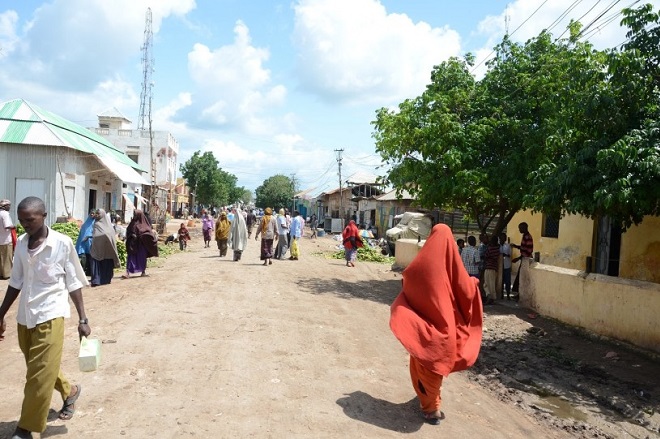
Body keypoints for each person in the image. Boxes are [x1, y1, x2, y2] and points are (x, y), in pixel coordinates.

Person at [0, 196, 91, 439]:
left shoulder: (62, 243)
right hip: (25, 318)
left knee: (38, 375)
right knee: (40, 367)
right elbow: (16, 281)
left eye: (29, 220)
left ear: (43, 216)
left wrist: (83, 319)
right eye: (21, 220)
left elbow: (73, 282)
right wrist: (1, 314)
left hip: (51, 315)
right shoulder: (21, 244)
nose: (25, 225)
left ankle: (25, 428)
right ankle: (70, 391)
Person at [389, 224, 483, 425]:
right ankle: (432, 408)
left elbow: (408, 278)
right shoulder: (453, 262)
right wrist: (474, 284)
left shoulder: (421, 263)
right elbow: (466, 289)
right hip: (445, 328)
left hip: (423, 327)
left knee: (423, 361)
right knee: (435, 364)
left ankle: (430, 403)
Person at [122, 210, 158, 279]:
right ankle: (127, 273)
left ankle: (143, 271)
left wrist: (141, 236)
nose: (134, 216)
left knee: (142, 258)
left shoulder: (144, 224)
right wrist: (131, 235)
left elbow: (148, 233)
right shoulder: (132, 223)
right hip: (133, 244)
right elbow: (128, 231)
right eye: (134, 214)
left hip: (141, 245)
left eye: (136, 215)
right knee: (131, 258)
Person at [89, 209, 120, 287]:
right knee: (96, 261)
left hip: (107, 249)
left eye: (98, 213)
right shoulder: (96, 223)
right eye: (97, 213)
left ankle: (104, 279)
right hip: (97, 247)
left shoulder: (108, 225)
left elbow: (106, 235)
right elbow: (95, 234)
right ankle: (96, 280)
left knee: (105, 262)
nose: (97, 215)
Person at [511, 222, 534, 298]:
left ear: (524, 228)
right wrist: (516, 246)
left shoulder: (528, 237)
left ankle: (520, 295)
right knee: (519, 277)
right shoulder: (525, 236)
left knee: (522, 277)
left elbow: (528, 251)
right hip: (524, 259)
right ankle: (519, 294)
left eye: (520, 228)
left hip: (526, 260)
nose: (519, 230)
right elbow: (523, 247)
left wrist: (518, 258)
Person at [75, 210, 96, 276]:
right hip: (83, 243)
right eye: (91, 213)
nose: (92, 215)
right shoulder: (86, 223)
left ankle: (90, 272)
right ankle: (84, 271)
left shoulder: (96, 223)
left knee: (91, 257)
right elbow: (82, 233)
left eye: (93, 213)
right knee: (84, 257)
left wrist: (89, 237)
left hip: (91, 242)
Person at [482, 235, 500, 305]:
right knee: (492, 284)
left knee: (486, 284)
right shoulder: (497, 249)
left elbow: (485, 256)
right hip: (494, 267)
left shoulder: (490, 248)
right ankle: (492, 298)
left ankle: (489, 296)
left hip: (489, 267)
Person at [0, 199, 16, 280]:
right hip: (6, 240)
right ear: (5, 206)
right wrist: (14, 226)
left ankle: (1, 273)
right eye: (9, 206)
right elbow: (7, 226)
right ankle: (7, 274)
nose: (9, 207)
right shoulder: (5, 214)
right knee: (7, 258)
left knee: (1, 258)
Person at [499, 232, 512, 300]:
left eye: (504, 237)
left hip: (507, 265)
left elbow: (510, 255)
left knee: (507, 281)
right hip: (500, 266)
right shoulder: (498, 246)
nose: (503, 239)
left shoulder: (508, 246)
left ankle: (508, 294)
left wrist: (505, 255)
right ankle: (501, 294)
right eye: (502, 237)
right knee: (500, 281)